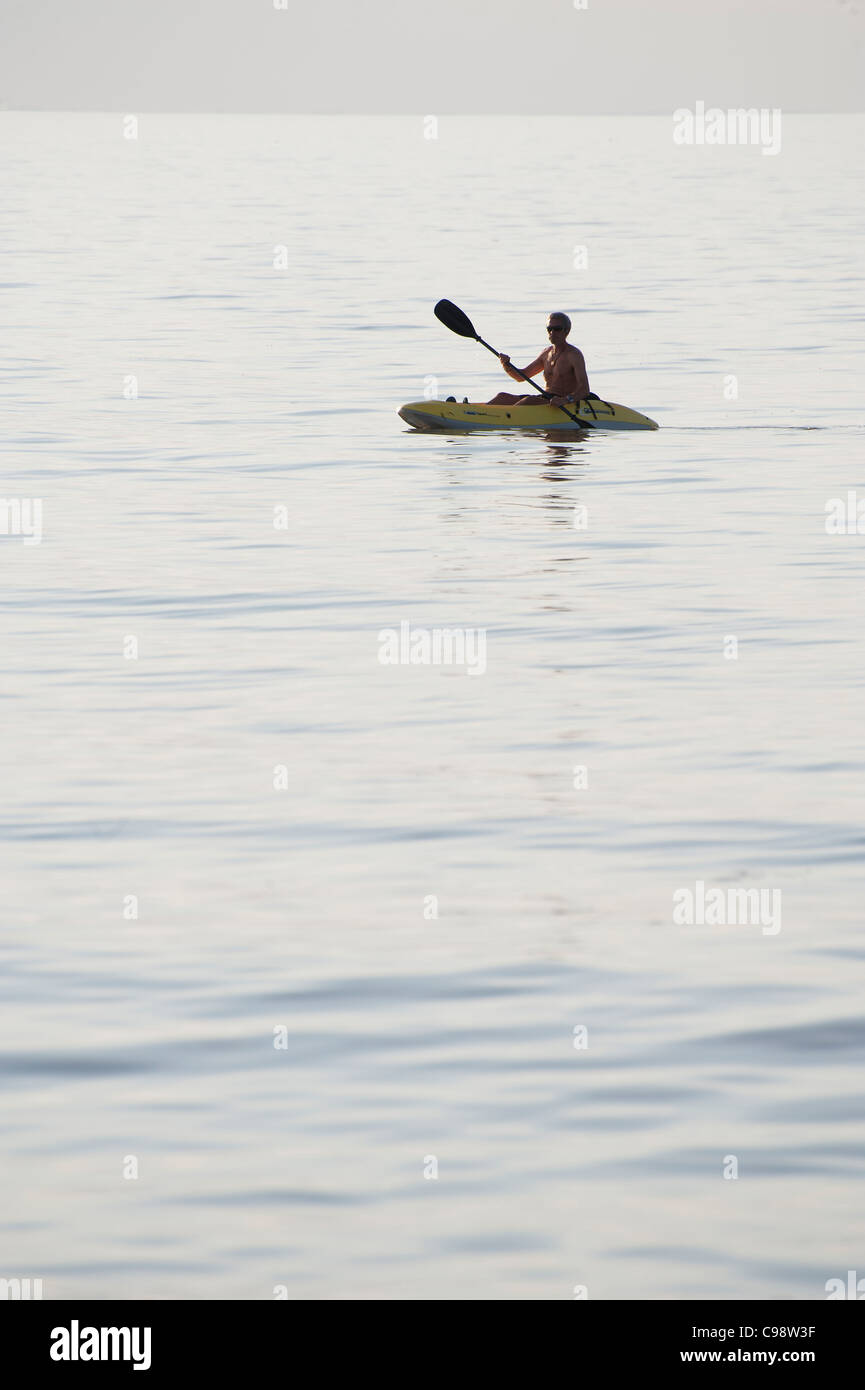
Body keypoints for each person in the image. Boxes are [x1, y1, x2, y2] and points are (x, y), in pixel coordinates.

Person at [487, 312, 589, 407]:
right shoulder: (546, 353)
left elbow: (584, 389)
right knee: (502, 397)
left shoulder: (574, 355)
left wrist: (566, 400)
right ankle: (477, 413)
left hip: (562, 403)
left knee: (529, 401)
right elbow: (521, 377)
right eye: (549, 329)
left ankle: (504, 417)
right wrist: (506, 365)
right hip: (546, 398)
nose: (552, 332)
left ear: (566, 331)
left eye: (557, 329)